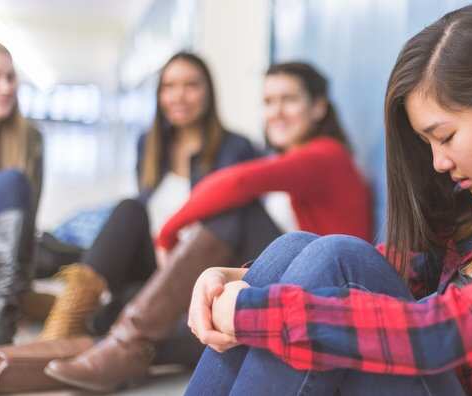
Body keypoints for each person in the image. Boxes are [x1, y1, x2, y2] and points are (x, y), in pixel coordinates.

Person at [183, 4, 472, 396]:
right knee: (297, 249)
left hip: (446, 358)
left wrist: (250, 311)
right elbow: (395, 268)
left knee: (333, 256)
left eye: (444, 136)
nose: (438, 163)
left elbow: (442, 333)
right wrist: (241, 280)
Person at [43, 61, 372, 393]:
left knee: (236, 212)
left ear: (318, 108)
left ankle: (124, 344)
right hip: (284, 289)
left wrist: (168, 232)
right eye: (269, 102)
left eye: (288, 100)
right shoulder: (294, 161)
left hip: (320, 298)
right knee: (127, 313)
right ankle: (95, 347)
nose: (276, 112)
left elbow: (237, 181)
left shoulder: (326, 156)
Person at [38, 51, 258, 341]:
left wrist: (168, 236)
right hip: (152, 265)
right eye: (169, 86)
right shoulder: (150, 145)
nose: (179, 96)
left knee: (114, 314)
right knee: (129, 209)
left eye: (190, 85)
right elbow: (144, 209)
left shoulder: (235, 148)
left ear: (208, 92)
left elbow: (222, 225)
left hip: (198, 271)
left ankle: (87, 322)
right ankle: (64, 323)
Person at [0, 40, 43, 347]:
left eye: (10, 77)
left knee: (10, 182)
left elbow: (26, 231)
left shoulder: (29, 139)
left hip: (3, 272)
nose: (5, 87)